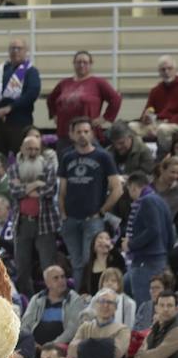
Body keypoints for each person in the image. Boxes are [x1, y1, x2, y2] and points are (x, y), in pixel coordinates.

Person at [58, 118, 123, 278]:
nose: (82, 135)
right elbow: (62, 190)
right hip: (71, 219)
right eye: (78, 132)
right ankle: (81, 299)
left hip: (93, 219)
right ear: (72, 134)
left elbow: (117, 189)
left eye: (86, 131)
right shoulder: (67, 157)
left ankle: (92, 297)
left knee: (91, 261)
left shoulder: (103, 156)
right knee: (76, 263)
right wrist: (63, 214)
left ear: (92, 134)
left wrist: (101, 212)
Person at [8, 135, 60, 296]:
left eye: (36, 149)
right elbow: (13, 192)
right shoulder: (14, 169)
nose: (33, 152)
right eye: (29, 149)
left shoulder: (48, 167)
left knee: (48, 266)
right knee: (22, 267)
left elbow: (50, 190)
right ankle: (28, 300)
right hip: (22, 223)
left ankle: (50, 298)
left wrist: (24, 188)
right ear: (22, 150)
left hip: (45, 223)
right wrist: (36, 185)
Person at [47, 50, 121, 146]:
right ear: (74, 64)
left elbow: (116, 99)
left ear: (90, 64)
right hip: (65, 135)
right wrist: (54, 115)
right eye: (78, 62)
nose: (81, 65)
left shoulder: (98, 82)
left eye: (85, 62)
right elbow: (51, 99)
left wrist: (104, 118)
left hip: (87, 135)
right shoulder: (64, 83)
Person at [124, 170, 175, 303]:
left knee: (145, 303)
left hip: (146, 260)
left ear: (133, 187)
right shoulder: (161, 200)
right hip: (159, 259)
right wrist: (165, 253)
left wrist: (130, 244)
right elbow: (171, 233)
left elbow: (153, 230)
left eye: (129, 190)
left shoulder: (146, 201)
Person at [0, 38, 41, 155]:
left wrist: (9, 108)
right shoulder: (0, 70)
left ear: (26, 51)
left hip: (19, 122)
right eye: (12, 48)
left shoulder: (31, 71)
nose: (15, 51)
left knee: (21, 156)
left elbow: (32, 94)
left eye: (19, 48)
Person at [20, 265, 86, 351]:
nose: (61, 281)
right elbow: (25, 324)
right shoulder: (37, 299)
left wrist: (52, 345)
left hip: (60, 346)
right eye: (56, 278)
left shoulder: (75, 299)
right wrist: (32, 343)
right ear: (47, 283)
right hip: (34, 346)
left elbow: (72, 330)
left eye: (63, 277)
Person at [131, 54, 178, 155]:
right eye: (163, 69)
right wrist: (146, 118)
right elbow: (148, 110)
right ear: (159, 72)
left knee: (163, 129)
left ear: (175, 69)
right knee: (131, 126)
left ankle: (163, 158)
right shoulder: (155, 90)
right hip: (156, 123)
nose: (166, 72)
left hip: (172, 123)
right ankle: (144, 155)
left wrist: (165, 123)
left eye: (169, 68)